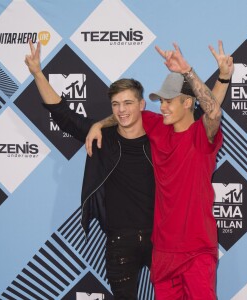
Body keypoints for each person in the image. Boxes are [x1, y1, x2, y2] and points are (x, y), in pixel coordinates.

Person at [85, 41, 234, 299]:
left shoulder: (202, 136)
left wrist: (189, 71)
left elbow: (213, 111)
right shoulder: (157, 128)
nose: (162, 107)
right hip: (162, 253)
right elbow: (127, 114)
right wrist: (98, 124)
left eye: (168, 101)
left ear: (188, 103)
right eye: (160, 101)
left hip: (196, 250)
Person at [24, 40, 155, 300]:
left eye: (128, 103)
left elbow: (197, 120)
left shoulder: (160, 138)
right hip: (119, 242)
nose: (121, 110)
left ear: (142, 105)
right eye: (116, 104)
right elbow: (63, 115)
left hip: (161, 239)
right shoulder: (102, 137)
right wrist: (38, 73)